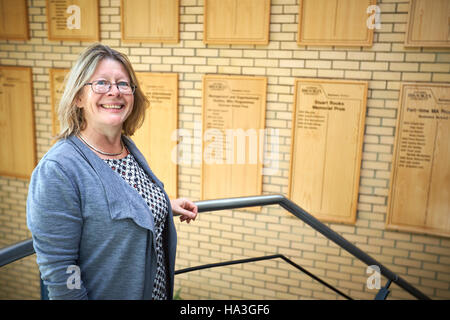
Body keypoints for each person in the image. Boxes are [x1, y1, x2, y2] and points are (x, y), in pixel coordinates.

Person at [26, 43, 198, 300]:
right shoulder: (59, 169)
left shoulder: (127, 149)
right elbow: (62, 272)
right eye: (101, 83)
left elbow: (114, 204)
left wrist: (162, 204)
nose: (114, 91)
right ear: (78, 97)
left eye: (122, 84)